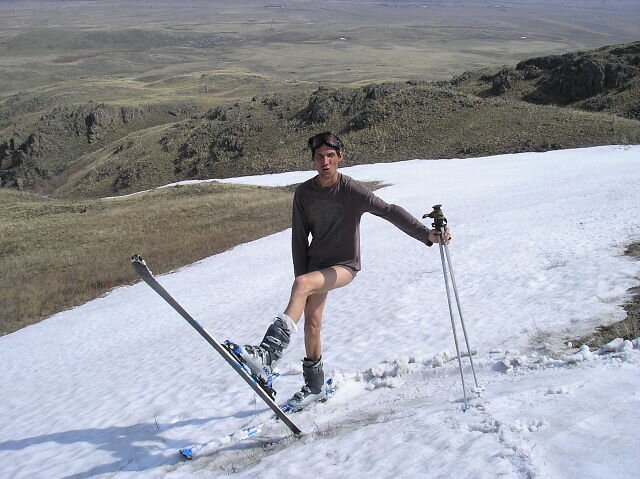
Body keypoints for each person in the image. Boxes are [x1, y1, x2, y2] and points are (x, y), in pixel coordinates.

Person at [235, 131, 451, 410]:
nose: (325, 161)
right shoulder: (303, 194)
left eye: (330, 156)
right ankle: (314, 386)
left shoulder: (351, 190)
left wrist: (426, 235)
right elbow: (299, 240)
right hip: (314, 267)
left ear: (340, 157)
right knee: (312, 323)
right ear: (313, 160)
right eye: (319, 156)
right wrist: (303, 281)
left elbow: (389, 210)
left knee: (303, 288)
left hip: (344, 266)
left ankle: (267, 355)